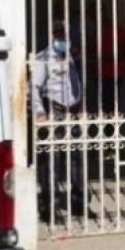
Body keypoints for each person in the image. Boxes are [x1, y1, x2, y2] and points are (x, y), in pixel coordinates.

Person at [30, 20, 86, 221]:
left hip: (72, 113)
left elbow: (75, 83)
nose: (64, 38)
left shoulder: (69, 56)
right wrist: (40, 113)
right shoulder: (44, 58)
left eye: (66, 35)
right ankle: (49, 205)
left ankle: (79, 202)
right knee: (51, 162)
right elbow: (34, 87)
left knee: (76, 160)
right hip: (54, 113)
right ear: (54, 35)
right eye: (61, 34)